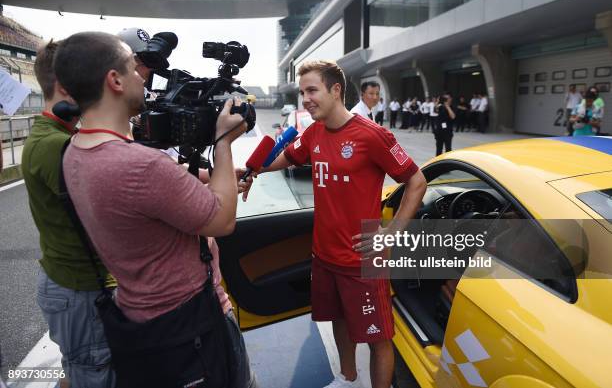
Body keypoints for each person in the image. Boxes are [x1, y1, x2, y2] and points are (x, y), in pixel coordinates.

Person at [55, 32, 257, 387]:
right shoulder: (141, 165)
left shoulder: (75, 150)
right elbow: (222, 220)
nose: (142, 77)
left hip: (141, 322)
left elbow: (146, 194)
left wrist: (210, 175)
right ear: (114, 80)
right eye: (134, 69)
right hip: (191, 329)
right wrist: (223, 142)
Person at [251, 60, 426, 388]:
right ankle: (347, 378)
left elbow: (416, 182)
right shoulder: (314, 132)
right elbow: (288, 157)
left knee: (379, 338)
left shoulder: (373, 135)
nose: (306, 99)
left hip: (362, 259)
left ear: (336, 90)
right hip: (325, 255)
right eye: (303, 92)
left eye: (312, 90)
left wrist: (392, 233)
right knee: (340, 319)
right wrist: (252, 171)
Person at [21, 39, 118, 388]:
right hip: (79, 291)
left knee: (81, 370)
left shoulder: (59, 135)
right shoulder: (57, 145)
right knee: (93, 373)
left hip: (76, 287)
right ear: (65, 86)